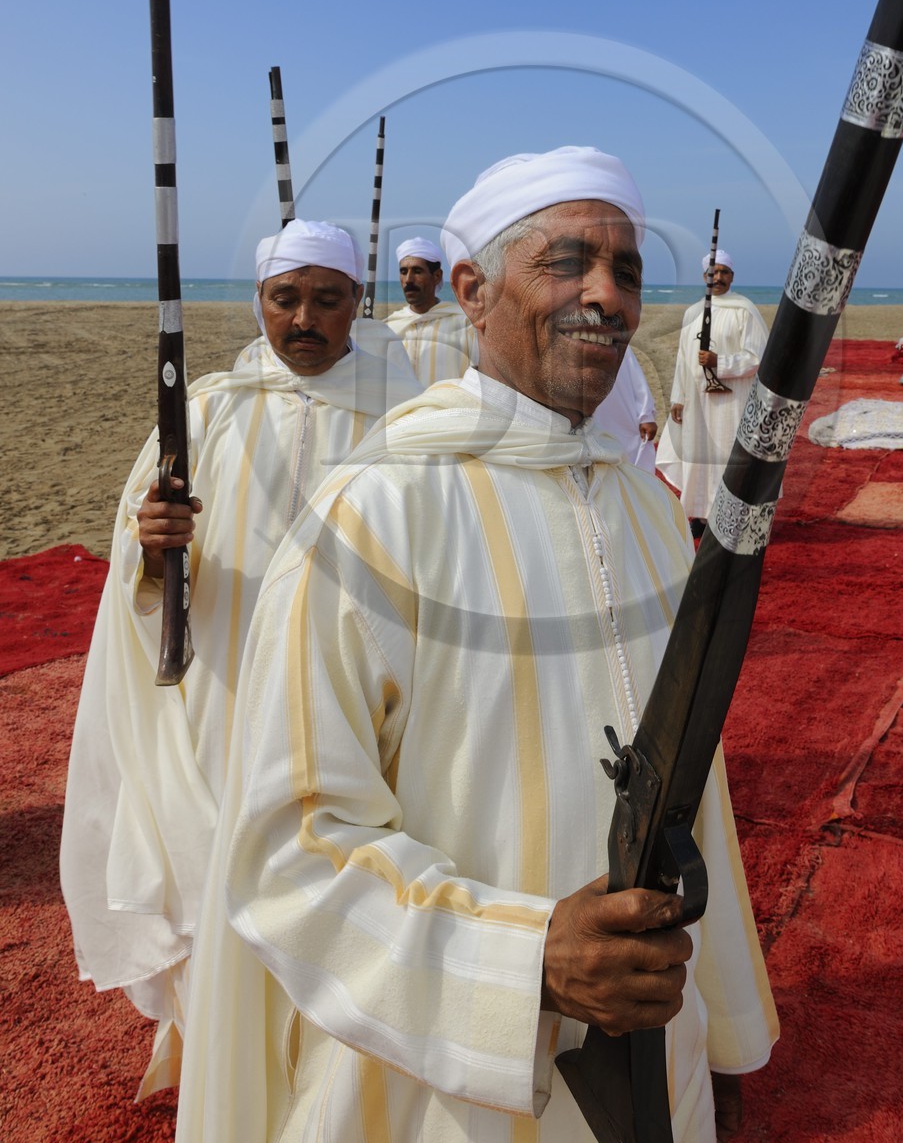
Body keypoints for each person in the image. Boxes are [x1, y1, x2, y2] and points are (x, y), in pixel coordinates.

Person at [176, 148, 777, 1143]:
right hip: (434, 1092)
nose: (607, 296)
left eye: (626, 270)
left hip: (652, 1059)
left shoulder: (645, 506)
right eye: (567, 262)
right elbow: (287, 847)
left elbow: (687, 792)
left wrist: (713, 1029)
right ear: (471, 290)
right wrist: (528, 961)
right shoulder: (374, 518)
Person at [60, 219, 419, 1096]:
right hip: (227, 690)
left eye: (326, 299)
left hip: (352, 700)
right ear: (259, 302)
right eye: (284, 299)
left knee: (343, 868)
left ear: (356, 304)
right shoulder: (206, 410)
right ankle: (218, 1049)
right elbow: (137, 569)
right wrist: (151, 544)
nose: (304, 318)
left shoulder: (403, 415)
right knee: (223, 867)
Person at [656, 249, 768, 539]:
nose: (718, 277)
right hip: (697, 402)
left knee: (727, 461)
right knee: (698, 461)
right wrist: (678, 397)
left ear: (732, 276)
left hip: (732, 402)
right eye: (712, 272)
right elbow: (683, 358)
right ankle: (702, 517)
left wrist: (721, 362)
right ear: (703, 276)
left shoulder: (744, 310)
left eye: (724, 272)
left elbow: (757, 357)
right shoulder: (693, 312)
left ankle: (730, 519)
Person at [385, 234, 480, 385]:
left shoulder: (465, 324)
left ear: (436, 276)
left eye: (417, 271)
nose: (408, 280)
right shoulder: (389, 328)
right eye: (403, 272)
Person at [591, 344, 658, 470]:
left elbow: (632, 370)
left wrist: (646, 416)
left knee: (630, 460)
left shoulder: (612, 331)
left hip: (620, 412)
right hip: (587, 415)